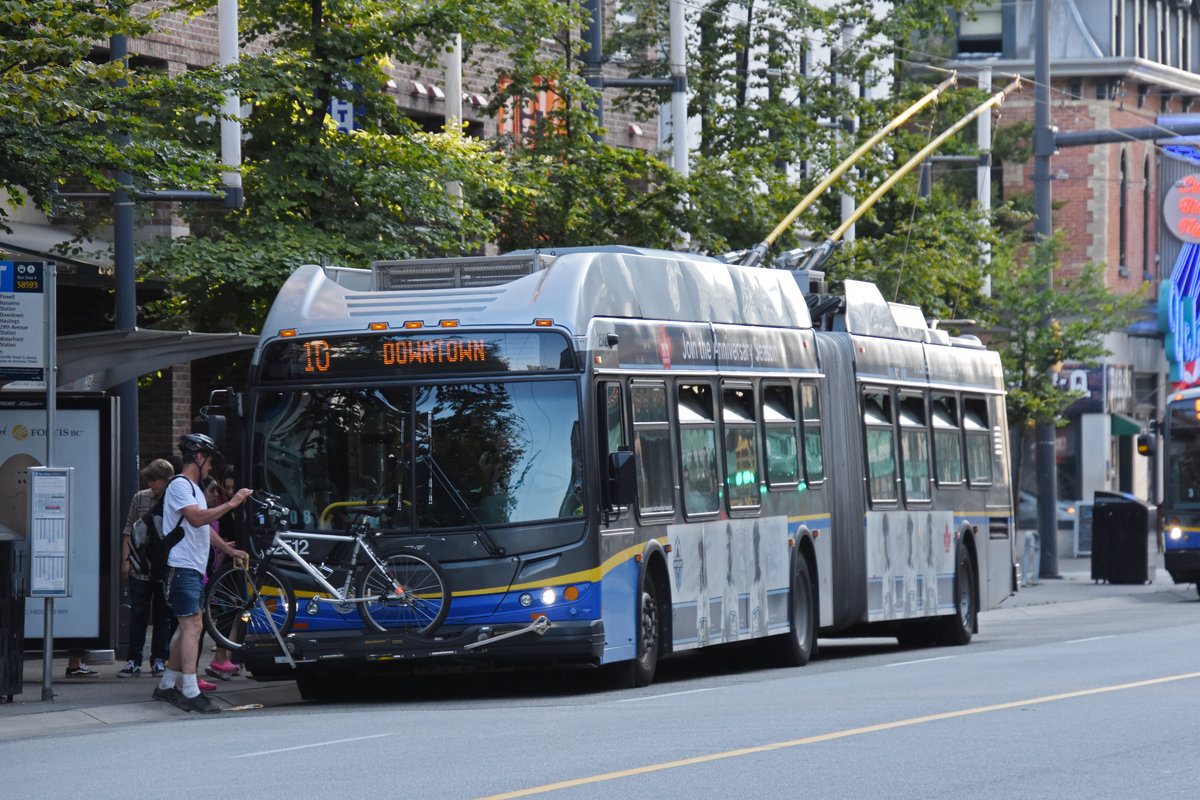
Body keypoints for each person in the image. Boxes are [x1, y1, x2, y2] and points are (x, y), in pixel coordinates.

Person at [152, 433, 251, 714]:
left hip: (193, 567)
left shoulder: (194, 489)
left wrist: (227, 550)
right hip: (180, 566)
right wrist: (232, 503)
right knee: (193, 627)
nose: (211, 467)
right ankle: (191, 690)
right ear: (199, 457)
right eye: (209, 461)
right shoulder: (180, 486)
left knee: (188, 629)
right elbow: (197, 518)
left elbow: (203, 528)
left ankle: (166, 686)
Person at [117, 458, 177, 678]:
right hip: (140, 565)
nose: (151, 483)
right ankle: (134, 659)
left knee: (163, 617)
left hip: (164, 566)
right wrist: (126, 559)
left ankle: (159, 659)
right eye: (149, 479)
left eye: (155, 479)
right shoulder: (140, 498)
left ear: (166, 480)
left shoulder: (175, 500)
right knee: (138, 614)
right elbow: (128, 530)